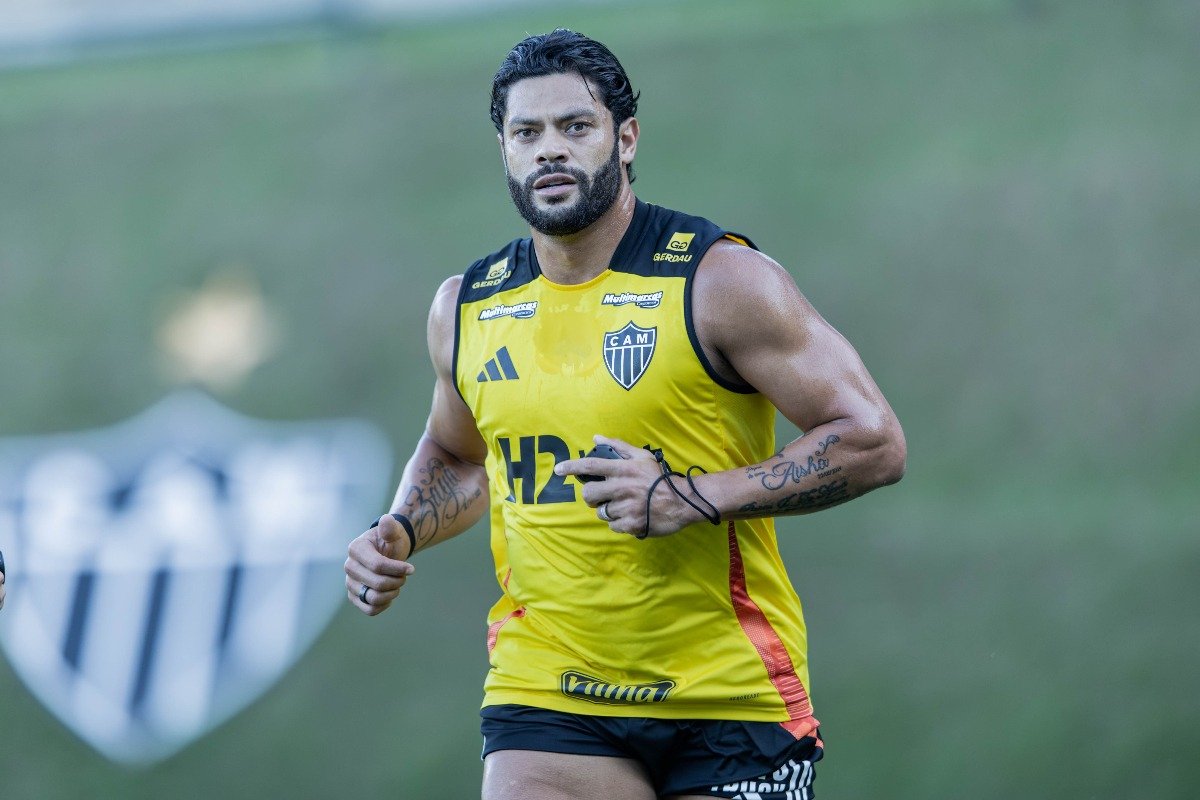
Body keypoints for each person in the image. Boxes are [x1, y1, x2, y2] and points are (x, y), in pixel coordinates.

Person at [345, 28, 906, 800]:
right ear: (504, 150)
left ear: (626, 138)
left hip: (728, 697)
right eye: (527, 132)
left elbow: (873, 442)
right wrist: (399, 528)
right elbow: (459, 455)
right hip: (547, 691)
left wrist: (690, 497)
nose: (550, 150)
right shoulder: (466, 306)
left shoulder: (721, 280)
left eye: (575, 127)